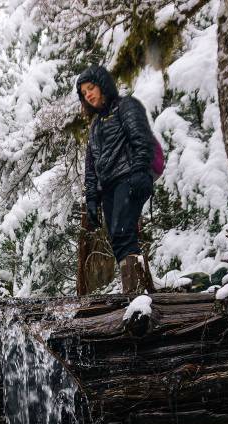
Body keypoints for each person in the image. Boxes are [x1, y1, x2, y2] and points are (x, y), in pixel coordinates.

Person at [77, 65, 157, 293]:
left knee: (123, 232)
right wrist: (92, 199)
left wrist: (142, 172)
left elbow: (141, 140)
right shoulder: (95, 126)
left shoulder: (126, 106)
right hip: (109, 187)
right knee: (117, 238)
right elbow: (91, 166)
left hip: (130, 178)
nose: (88, 95)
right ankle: (139, 292)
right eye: (84, 93)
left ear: (103, 84)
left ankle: (138, 297)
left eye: (90, 88)